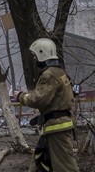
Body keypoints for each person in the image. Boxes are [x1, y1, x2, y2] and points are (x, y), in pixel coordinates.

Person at [14, 38, 79, 172]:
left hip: (57, 128)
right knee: (38, 163)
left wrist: (20, 96)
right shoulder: (60, 72)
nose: (34, 59)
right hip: (54, 126)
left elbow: (38, 100)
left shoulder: (49, 75)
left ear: (42, 54)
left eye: (35, 55)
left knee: (65, 167)